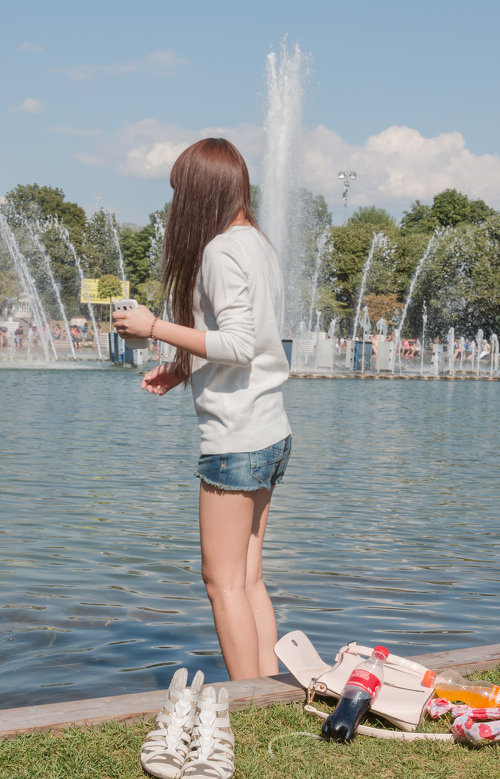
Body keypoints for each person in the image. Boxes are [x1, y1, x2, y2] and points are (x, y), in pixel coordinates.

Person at [113, 138, 292, 680]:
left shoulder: (220, 250)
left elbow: (238, 344)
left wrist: (153, 329)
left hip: (235, 439)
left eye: (178, 193)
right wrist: (181, 367)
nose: (175, 208)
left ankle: (248, 698)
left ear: (199, 193)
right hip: (269, 429)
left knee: (221, 582)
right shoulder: (258, 244)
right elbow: (256, 340)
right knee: (248, 578)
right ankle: (268, 690)